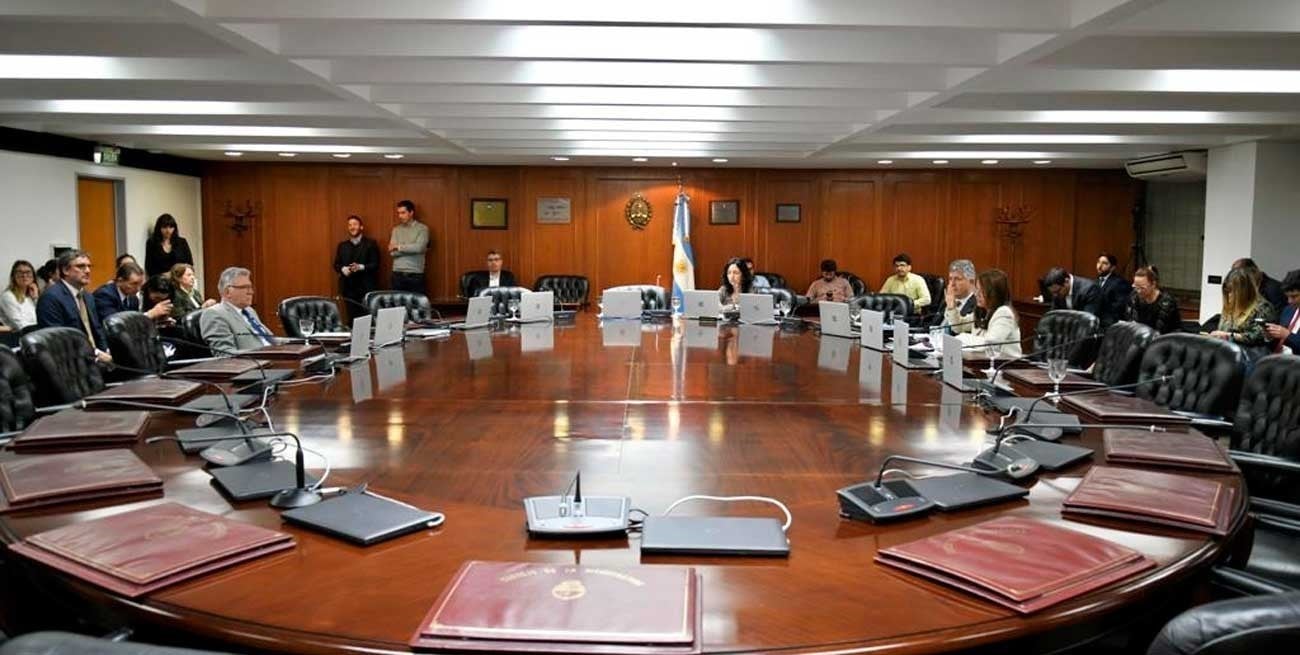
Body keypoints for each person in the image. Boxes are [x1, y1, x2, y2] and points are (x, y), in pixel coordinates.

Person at [34, 250, 111, 362]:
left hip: (95, 359)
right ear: (65, 270)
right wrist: (96, 354)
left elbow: (97, 330)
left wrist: (106, 350)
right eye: (81, 266)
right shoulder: (50, 298)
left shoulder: (87, 296)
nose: (88, 271)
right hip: (70, 362)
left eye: (89, 266)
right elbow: (58, 339)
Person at [200, 267, 279, 354]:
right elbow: (225, 353)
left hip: (275, 356)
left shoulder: (250, 310)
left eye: (250, 287)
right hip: (257, 360)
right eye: (245, 287)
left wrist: (288, 344)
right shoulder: (214, 314)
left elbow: (268, 339)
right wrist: (265, 353)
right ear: (227, 292)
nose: (251, 292)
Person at [1210, 268, 1275, 360]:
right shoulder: (1231, 306)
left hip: (1249, 356)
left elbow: (1257, 336)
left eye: (1232, 291)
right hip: (1229, 353)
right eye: (1227, 291)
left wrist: (1228, 335)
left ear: (1244, 291)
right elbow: (1223, 329)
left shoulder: (1263, 307)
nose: (1229, 295)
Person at [956, 268, 1022, 359]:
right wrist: (951, 308)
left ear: (994, 294)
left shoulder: (1004, 313)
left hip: (1007, 365)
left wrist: (963, 338)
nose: (976, 294)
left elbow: (989, 344)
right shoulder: (982, 311)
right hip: (983, 362)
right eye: (976, 289)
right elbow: (959, 327)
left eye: (981, 291)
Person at [92, 262, 172, 324]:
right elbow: (113, 324)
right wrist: (150, 314)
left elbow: (134, 325)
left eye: (140, 284)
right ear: (120, 281)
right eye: (134, 284)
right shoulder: (104, 295)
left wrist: (158, 321)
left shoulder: (133, 299)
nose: (138, 288)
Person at [333, 214, 380, 319]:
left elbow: (376, 264)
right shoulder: (342, 245)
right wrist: (343, 269)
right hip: (348, 289)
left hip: (366, 288)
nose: (352, 227)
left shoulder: (371, 244)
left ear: (361, 227)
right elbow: (336, 264)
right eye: (349, 225)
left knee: (366, 319)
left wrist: (361, 267)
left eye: (355, 224)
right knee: (352, 319)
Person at [1125, 266, 1181, 335]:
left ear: (1153, 284)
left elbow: (1159, 331)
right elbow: (1131, 322)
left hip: (1166, 337)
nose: (1138, 291)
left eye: (1142, 288)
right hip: (1141, 335)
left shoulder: (1166, 302)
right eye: (1136, 287)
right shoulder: (1134, 296)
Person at [389, 199, 429, 293]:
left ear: (411, 213)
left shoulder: (422, 229)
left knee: (416, 302)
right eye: (398, 213)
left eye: (403, 213)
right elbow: (392, 252)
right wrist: (411, 247)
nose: (400, 216)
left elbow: (419, 248)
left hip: (415, 275)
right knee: (396, 303)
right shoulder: (396, 230)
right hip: (397, 275)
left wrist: (398, 247)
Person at [144, 213, 194, 278]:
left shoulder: (182, 242)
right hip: (160, 280)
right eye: (164, 227)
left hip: (180, 278)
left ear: (174, 228)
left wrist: (175, 274)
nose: (168, 231)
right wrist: (165, 275)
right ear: (159, 228)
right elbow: (149, 267)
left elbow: (189, 263)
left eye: (171, 227)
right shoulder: (152, 243)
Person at [1264, 272, 1300, 355]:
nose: (1289, 301)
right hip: (1277, 357)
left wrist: (1288, 336)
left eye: (1294, 296)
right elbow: (1279, 341)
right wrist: (1270, 337)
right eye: (1287, 297)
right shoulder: (1288, 310)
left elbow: (1286, 336)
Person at [1094, 252, 1132, 327]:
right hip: (1097, 320)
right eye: (1098, 262)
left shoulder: (1120, 283)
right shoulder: (1095, 281)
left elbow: (1118, 307)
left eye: (1104, 263)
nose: (1099, 266)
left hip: (1110, 323)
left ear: (1112, 268)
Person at [1, 260, 39, 332]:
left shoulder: (30, 296)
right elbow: (20, 325)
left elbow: (41, 316)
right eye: (20, 272)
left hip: (35, 333)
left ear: (33, 276)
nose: (24, 276)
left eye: (28, 272)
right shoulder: (8, 296)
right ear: (13, 277)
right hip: (19, 336)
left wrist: (35, 298)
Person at [942, 259, 978, 334]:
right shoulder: (949, 297)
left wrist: (951, 308)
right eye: (950, 279)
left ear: (971, 281)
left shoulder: (977, 305)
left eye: (957, 279)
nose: (952, 284)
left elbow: (958, 329)